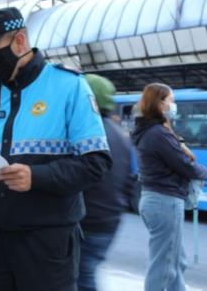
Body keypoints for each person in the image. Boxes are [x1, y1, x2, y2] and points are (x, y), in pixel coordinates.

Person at [0, 7, 111, 291]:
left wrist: (36, 176)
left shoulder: (69, 86)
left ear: (19, 41)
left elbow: (96, 163)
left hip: (46, 243)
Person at [132, 83, 207, 291]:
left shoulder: (149, 130)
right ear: (160, 103)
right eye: (172, 101)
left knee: (175, 260)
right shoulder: (157, 133)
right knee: (164, 266)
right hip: (164, 202)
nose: (174, 105)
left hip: (156, 200)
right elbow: (184, 165)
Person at [77, 74, 137, 291]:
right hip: (109, 219)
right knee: (85, 273)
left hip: (86, 221)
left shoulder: (85, 133)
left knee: (80, 277)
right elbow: (128, 181)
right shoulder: (120, 134)